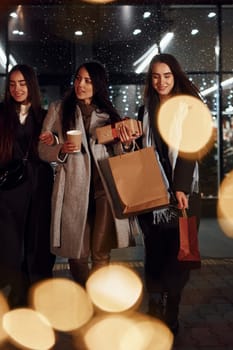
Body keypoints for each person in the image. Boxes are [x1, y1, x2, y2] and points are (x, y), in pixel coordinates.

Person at [39, 61, 136, 287]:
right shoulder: (58, 109)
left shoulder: (110, 114)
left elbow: (120, 152)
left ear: (98, 84)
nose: (80, 84)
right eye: (78, 79)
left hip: (104, 192)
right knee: (78, 255)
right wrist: (60, 149)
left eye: (88, 80)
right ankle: (84, 292)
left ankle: (96, 301)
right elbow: (42, 150)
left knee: (101, 253)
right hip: (73, 191)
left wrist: (127, 143)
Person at [136, 53, 202, 335]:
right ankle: (154, 306)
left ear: (175, 77)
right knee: (154, 252)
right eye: (155, 76)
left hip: (182, 194)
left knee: (179, 254)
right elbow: (140, 151)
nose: (161, 81)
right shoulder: (145, 110)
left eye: (166, 75)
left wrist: (181, 187)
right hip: (152, 195)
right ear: (150, 80)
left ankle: (171, 308)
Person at [0, 64, 55, 308]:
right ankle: (18, 290)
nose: (17, 89)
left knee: (38, 243)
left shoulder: (44, 116)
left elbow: (54, 151)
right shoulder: (1, 114)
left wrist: (53, 141)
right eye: (12, 84)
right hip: (8, 190)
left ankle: (37, 293)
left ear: (31, 85)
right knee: (10, 245)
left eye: (22, 83)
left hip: (39, 187)